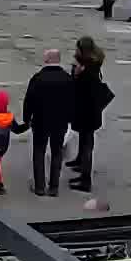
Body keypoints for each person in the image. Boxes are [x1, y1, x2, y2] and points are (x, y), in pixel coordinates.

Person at [22, 50, 75, 196]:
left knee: (39, 152)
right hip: (60, 123)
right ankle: (54, 187)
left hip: (40, 122)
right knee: (57, 153)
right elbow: (74, 102)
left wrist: (27, 119)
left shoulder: (38, 78)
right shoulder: (68, 79)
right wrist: (70, 119)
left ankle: (40, 187)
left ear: (47, 60)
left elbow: (29, 101)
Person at [67, 38, 112, 193]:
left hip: (87, 113)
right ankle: (80, 163)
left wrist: (77, 75)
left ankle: (85, 181)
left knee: (87, 146)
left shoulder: (89, 71)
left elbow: (79, 89)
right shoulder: (92, 64)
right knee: (85, 141)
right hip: (90, 113)